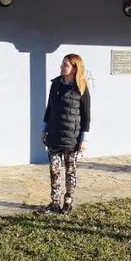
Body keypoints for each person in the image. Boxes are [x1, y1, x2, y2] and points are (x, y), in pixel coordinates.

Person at [40, 53, 91, 215]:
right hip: (54, 135)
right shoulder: (56, 84)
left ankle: (68, 203)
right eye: (62, 64)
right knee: (54, 171)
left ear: (75, 68)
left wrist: (84, 138)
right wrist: (44, 128)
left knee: (70, 171)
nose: (61, 67)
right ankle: (54, 203)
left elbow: (86, 116)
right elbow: (49, 108)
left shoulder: (82, 88)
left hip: (72, 138)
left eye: (65, 65)